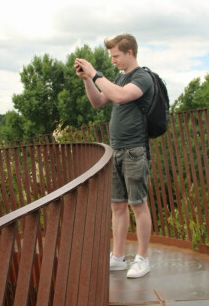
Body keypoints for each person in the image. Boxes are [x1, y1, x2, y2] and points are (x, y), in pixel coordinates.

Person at [74, 34, 153, 279]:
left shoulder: (143, 77)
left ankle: (142, 258)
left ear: (130, 53)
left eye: (116, 56)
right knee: (117, 206)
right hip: (116, 150)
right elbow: (98, 101)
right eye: (112, 57)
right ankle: (118, 258)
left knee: (138, 205)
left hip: (134, 150)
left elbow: (120, 96)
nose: (114, 61)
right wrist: (88, 79)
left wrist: (96, 73)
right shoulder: (118, 78)